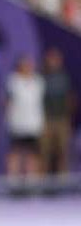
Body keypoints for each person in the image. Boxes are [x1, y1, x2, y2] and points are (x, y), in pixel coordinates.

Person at [5, 55, 45, 182]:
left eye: (29, 65)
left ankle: (32, 183)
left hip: (33, 125)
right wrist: (9, 119)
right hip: (17, 124)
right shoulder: (13, 81)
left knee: (33, 155)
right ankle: (13, 183)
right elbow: (7, 103)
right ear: (19, 66)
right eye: (24, 65)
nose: (27, 67)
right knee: (15, 154)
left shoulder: (39, 81)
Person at [41, 48, 74, 180]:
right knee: (45, 154)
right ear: (47, 60)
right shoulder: (41, 76)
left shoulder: (65, 77)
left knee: (63, 154)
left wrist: (67, 118)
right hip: (46, 121)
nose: (54, 61)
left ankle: (63, 183)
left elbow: (70, 98)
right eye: (51, 59)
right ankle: (42, 184)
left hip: (62, 120)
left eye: (56, 59)